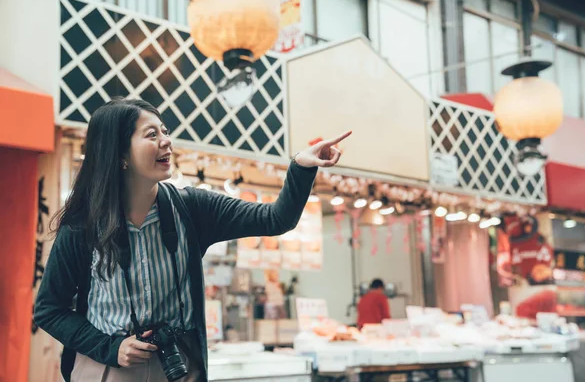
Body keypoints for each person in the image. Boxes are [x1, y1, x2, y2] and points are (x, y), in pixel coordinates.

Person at [34, 98, 351, 382]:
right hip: (108, 367)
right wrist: (109, 347)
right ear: (120, 155)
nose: (166, 141)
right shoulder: (82, 225)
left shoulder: (192, 208)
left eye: (165, 131)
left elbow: (276, 218)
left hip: (176, 366)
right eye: (152, 135)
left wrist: (301, 167)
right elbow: (49, 309)